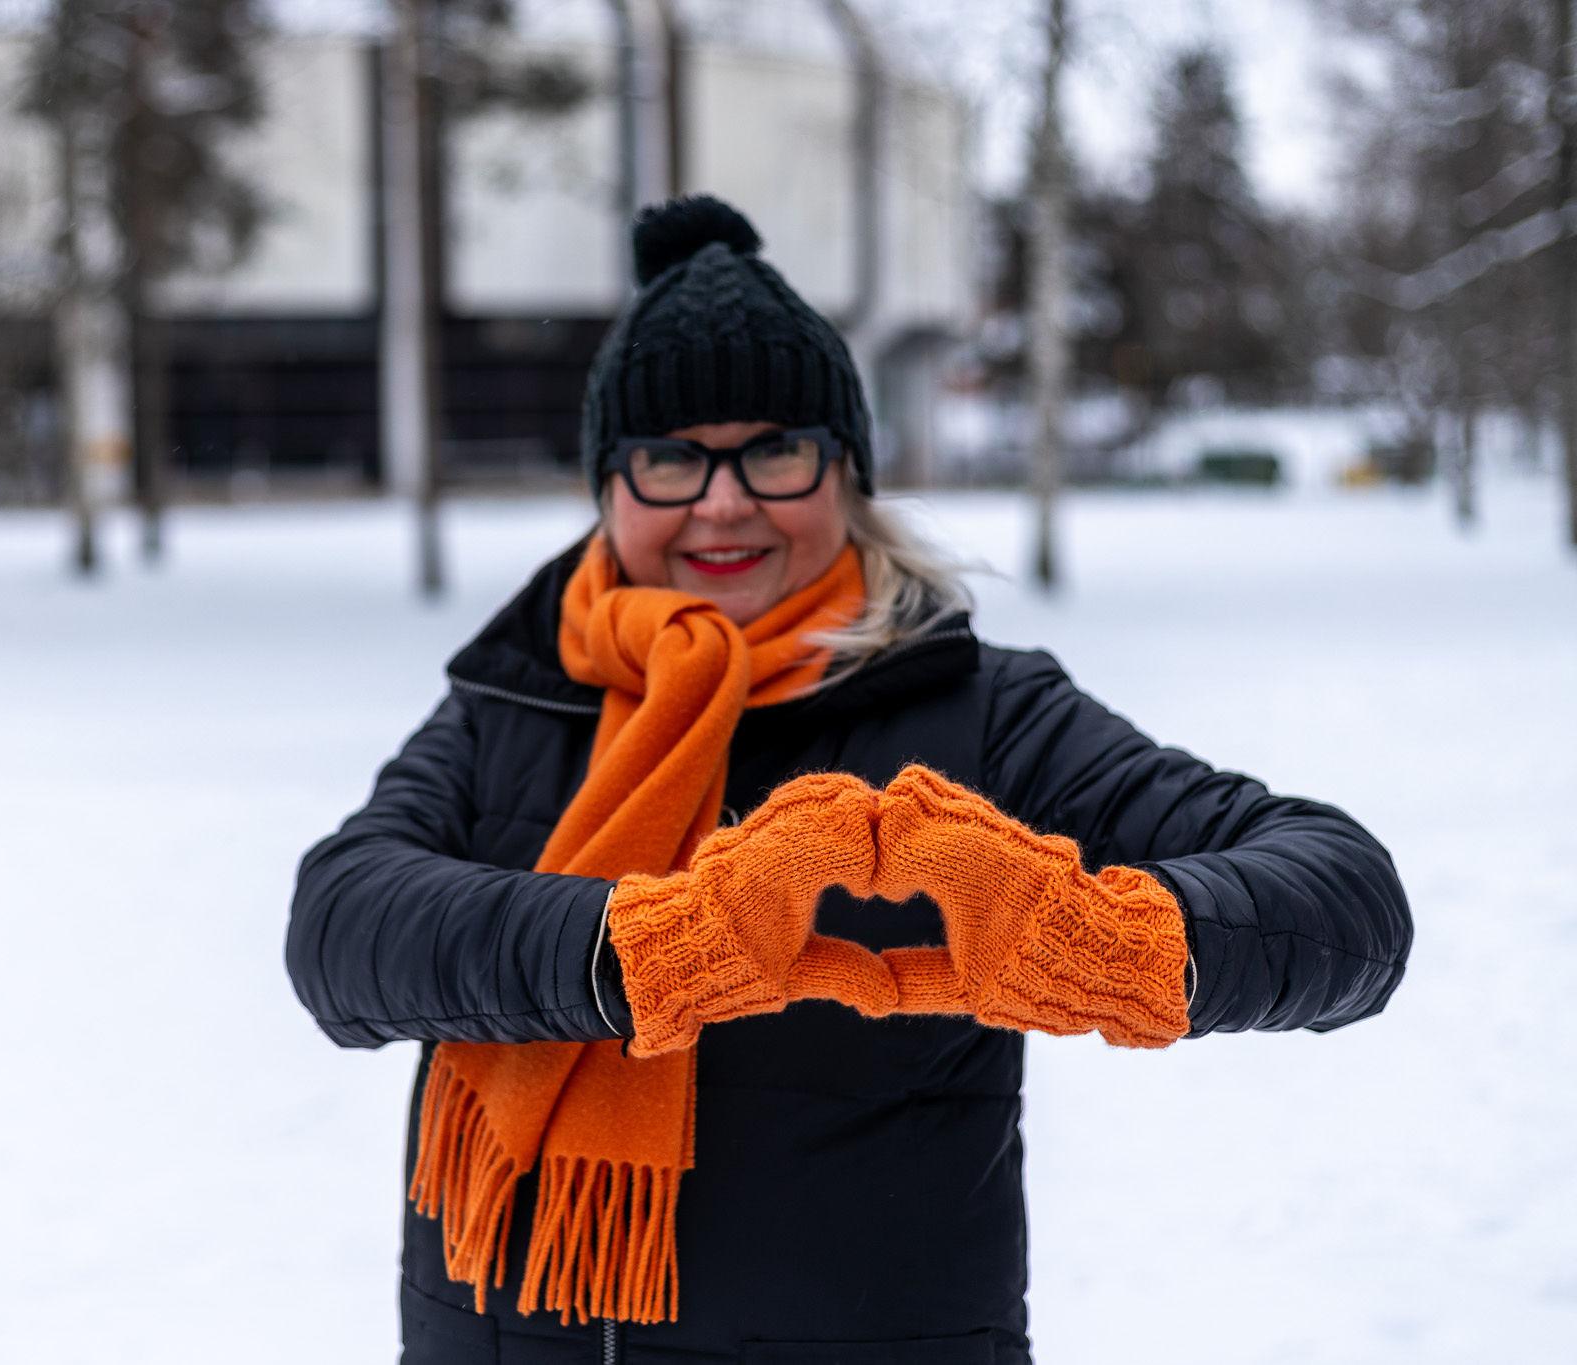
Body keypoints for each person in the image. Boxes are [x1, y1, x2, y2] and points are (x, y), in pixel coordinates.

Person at [285, 194, 1413, 1365]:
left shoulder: (982, 713)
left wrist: (1103, 940)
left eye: (773, 450)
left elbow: (1346, 905)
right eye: (669, 457)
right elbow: (339, 932)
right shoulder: (520, 693)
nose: (722, 501)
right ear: (607, 485)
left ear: (848, 472)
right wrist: (643, 946)